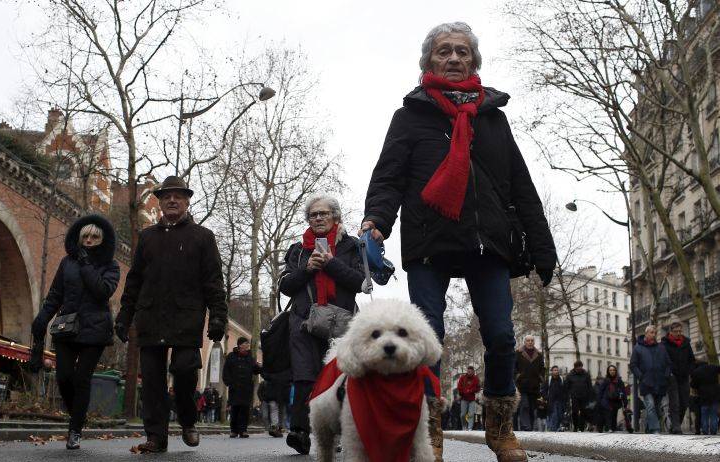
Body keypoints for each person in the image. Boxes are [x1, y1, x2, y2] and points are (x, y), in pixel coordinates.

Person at [361, 21, 556, 462]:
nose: (453, 58)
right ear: (429, 61)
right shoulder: (409, 116)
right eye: (444, 51)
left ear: (474, 61)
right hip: (429, 238)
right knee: (428, 335)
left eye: (462, 52)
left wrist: (542, 247)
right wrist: (376, 220)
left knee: (503, 337)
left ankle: (501, 428)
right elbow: (389, 177)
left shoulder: (494, 119)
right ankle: (429, 431)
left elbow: (520, 185)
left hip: (489, 242)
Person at [114, 175, 228, 453]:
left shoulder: (203, 237)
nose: (172, 200)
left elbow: (213, 281)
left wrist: (218, 316)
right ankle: (156, 437)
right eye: (167, 196)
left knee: (185, 371)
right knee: (152, 381)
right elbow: (135, 280)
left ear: (187, 201)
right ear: (160, 203)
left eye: (178, 196)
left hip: (186, 318)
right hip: (151, 317)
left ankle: (188, 419)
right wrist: (124, 315)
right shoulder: (147, 238)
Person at [279, 194, 365, 455]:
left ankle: (336, 431)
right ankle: (300, 431)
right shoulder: (298, 249)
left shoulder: (352, 246)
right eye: (313, 215)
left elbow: (360, 282)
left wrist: (330, 263)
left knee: (338, 378)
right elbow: (285, 285)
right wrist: (307, 268)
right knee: (304, 375)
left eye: (323, 213)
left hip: (341, 320)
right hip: (304, 320)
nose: (317, 218)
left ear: (335, 217)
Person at [30, 215, 120, 450]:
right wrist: (42, 318)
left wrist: (86, 264)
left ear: (102, 240)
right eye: (85, 237)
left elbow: (102, 291)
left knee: (82, 379)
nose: (89, 240)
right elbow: (55, 295)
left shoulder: (111, 265)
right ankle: (77, 415)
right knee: (63, 377)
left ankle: (75, 430)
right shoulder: (66, 263)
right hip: (66, 327)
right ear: (79, 238)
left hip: (95, 331)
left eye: (94, 237)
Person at [629, 325, 671, 434]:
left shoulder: (661, 347)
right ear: (646, 333)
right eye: (651, 332)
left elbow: (668, 363)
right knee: (650, 406)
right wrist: (641, 376)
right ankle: (655, 429)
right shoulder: (638, 348)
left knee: (656, 408)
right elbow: (633, 365)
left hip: (660, 382)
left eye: (655, 333)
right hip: (646, 383)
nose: (653, 335)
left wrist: (666, 375)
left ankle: (648, 428)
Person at [661, 321, 696, 434]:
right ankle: (676, 427)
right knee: (674, 402)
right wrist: (669, 371)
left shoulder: (686, 343)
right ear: (671, 332)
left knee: (685, 402)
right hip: (672, 377)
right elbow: (664, 361)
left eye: (680, 331)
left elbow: (692, 359)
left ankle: (675, 424)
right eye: (676, 331)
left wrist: (689, 370)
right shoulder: (665, 344)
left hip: (684, 376)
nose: (679, 333)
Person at [222, 337, 261, 438]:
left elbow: (255, 370)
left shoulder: (250, 357)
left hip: (246, 388)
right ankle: (234, 430)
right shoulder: (231, 356)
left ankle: (243, 430)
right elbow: (226, 370)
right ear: (240, 345)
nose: (247, 346)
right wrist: (228, 382)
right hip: (235, 387)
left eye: (248, 344)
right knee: (235, 409)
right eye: (245, 344)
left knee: (245, 409)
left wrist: (260, 367)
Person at [514, 336, 545, 431]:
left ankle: (530, 427)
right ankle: (525, 426)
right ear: (525, 342)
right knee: (524, 405)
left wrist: (541, 377)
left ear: (534, 342)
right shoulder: (518, 353)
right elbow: (514, 367)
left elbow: (542, 368)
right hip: (522, 385)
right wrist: (517, 376)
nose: (530, 342)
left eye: (532, 340)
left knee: (532, 408)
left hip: (534, 386)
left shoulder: (539, 354)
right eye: (528, 340)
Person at [690, 360, 720, 435]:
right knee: (713, 414)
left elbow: (693, 385)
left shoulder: (696, 372)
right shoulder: (713, 367)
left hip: (703, 396)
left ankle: (705, 431)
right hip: (714, 395)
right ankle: (713, 431)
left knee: (704, 415)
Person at [564, 360, 593, 432]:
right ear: (575, 368)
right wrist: (568, 396)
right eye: (578, 368)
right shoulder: (570, 375)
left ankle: (581, 427)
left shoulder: (586, 375)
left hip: (584, 397)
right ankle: (575, 426)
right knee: (574, 412)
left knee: (583, 412)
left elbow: (590, 386)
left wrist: (589, 396)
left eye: (580, 367)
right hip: (574, 397)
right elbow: (566, 387)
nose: (579, 369)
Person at [597, 365, 627, 433]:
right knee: (608, 414)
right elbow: (601, 391)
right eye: (610, 370)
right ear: (608, 371)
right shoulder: (605, 381)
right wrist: (599, 401)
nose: (612, 371)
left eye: (613, 370)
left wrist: (625, 401)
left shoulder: (619, 381)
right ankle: (609, 427)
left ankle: (613, 428)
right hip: (606, 401)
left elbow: (623, 391)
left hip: (615, 400)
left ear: (615, 371)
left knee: (614, 414)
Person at [541, 366, 566, 432]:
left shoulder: (562, 379)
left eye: (557, 370)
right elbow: (543, 390)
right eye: (554, 370)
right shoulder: (548, 380)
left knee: (560, 415)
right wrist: (546, 397)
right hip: (551, 401)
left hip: (560, 401)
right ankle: (553, 429)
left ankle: (556, 428)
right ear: (551, 371)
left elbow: (565, 390)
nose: (556, 371)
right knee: (554, 415)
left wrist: (565, 399)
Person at [457, 366, 481, 430]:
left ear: (473, 371)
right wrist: (463, 392)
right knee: (463, 414)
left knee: (471, 414)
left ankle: (470, 428)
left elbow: (478, 388)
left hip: (472, 399)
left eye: (470, 371)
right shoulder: (463, 378)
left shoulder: (476, 378)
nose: (469, 372)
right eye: (468, 371)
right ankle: (464, 426)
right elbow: (459, 387)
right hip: (464, 399)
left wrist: (470, 391)